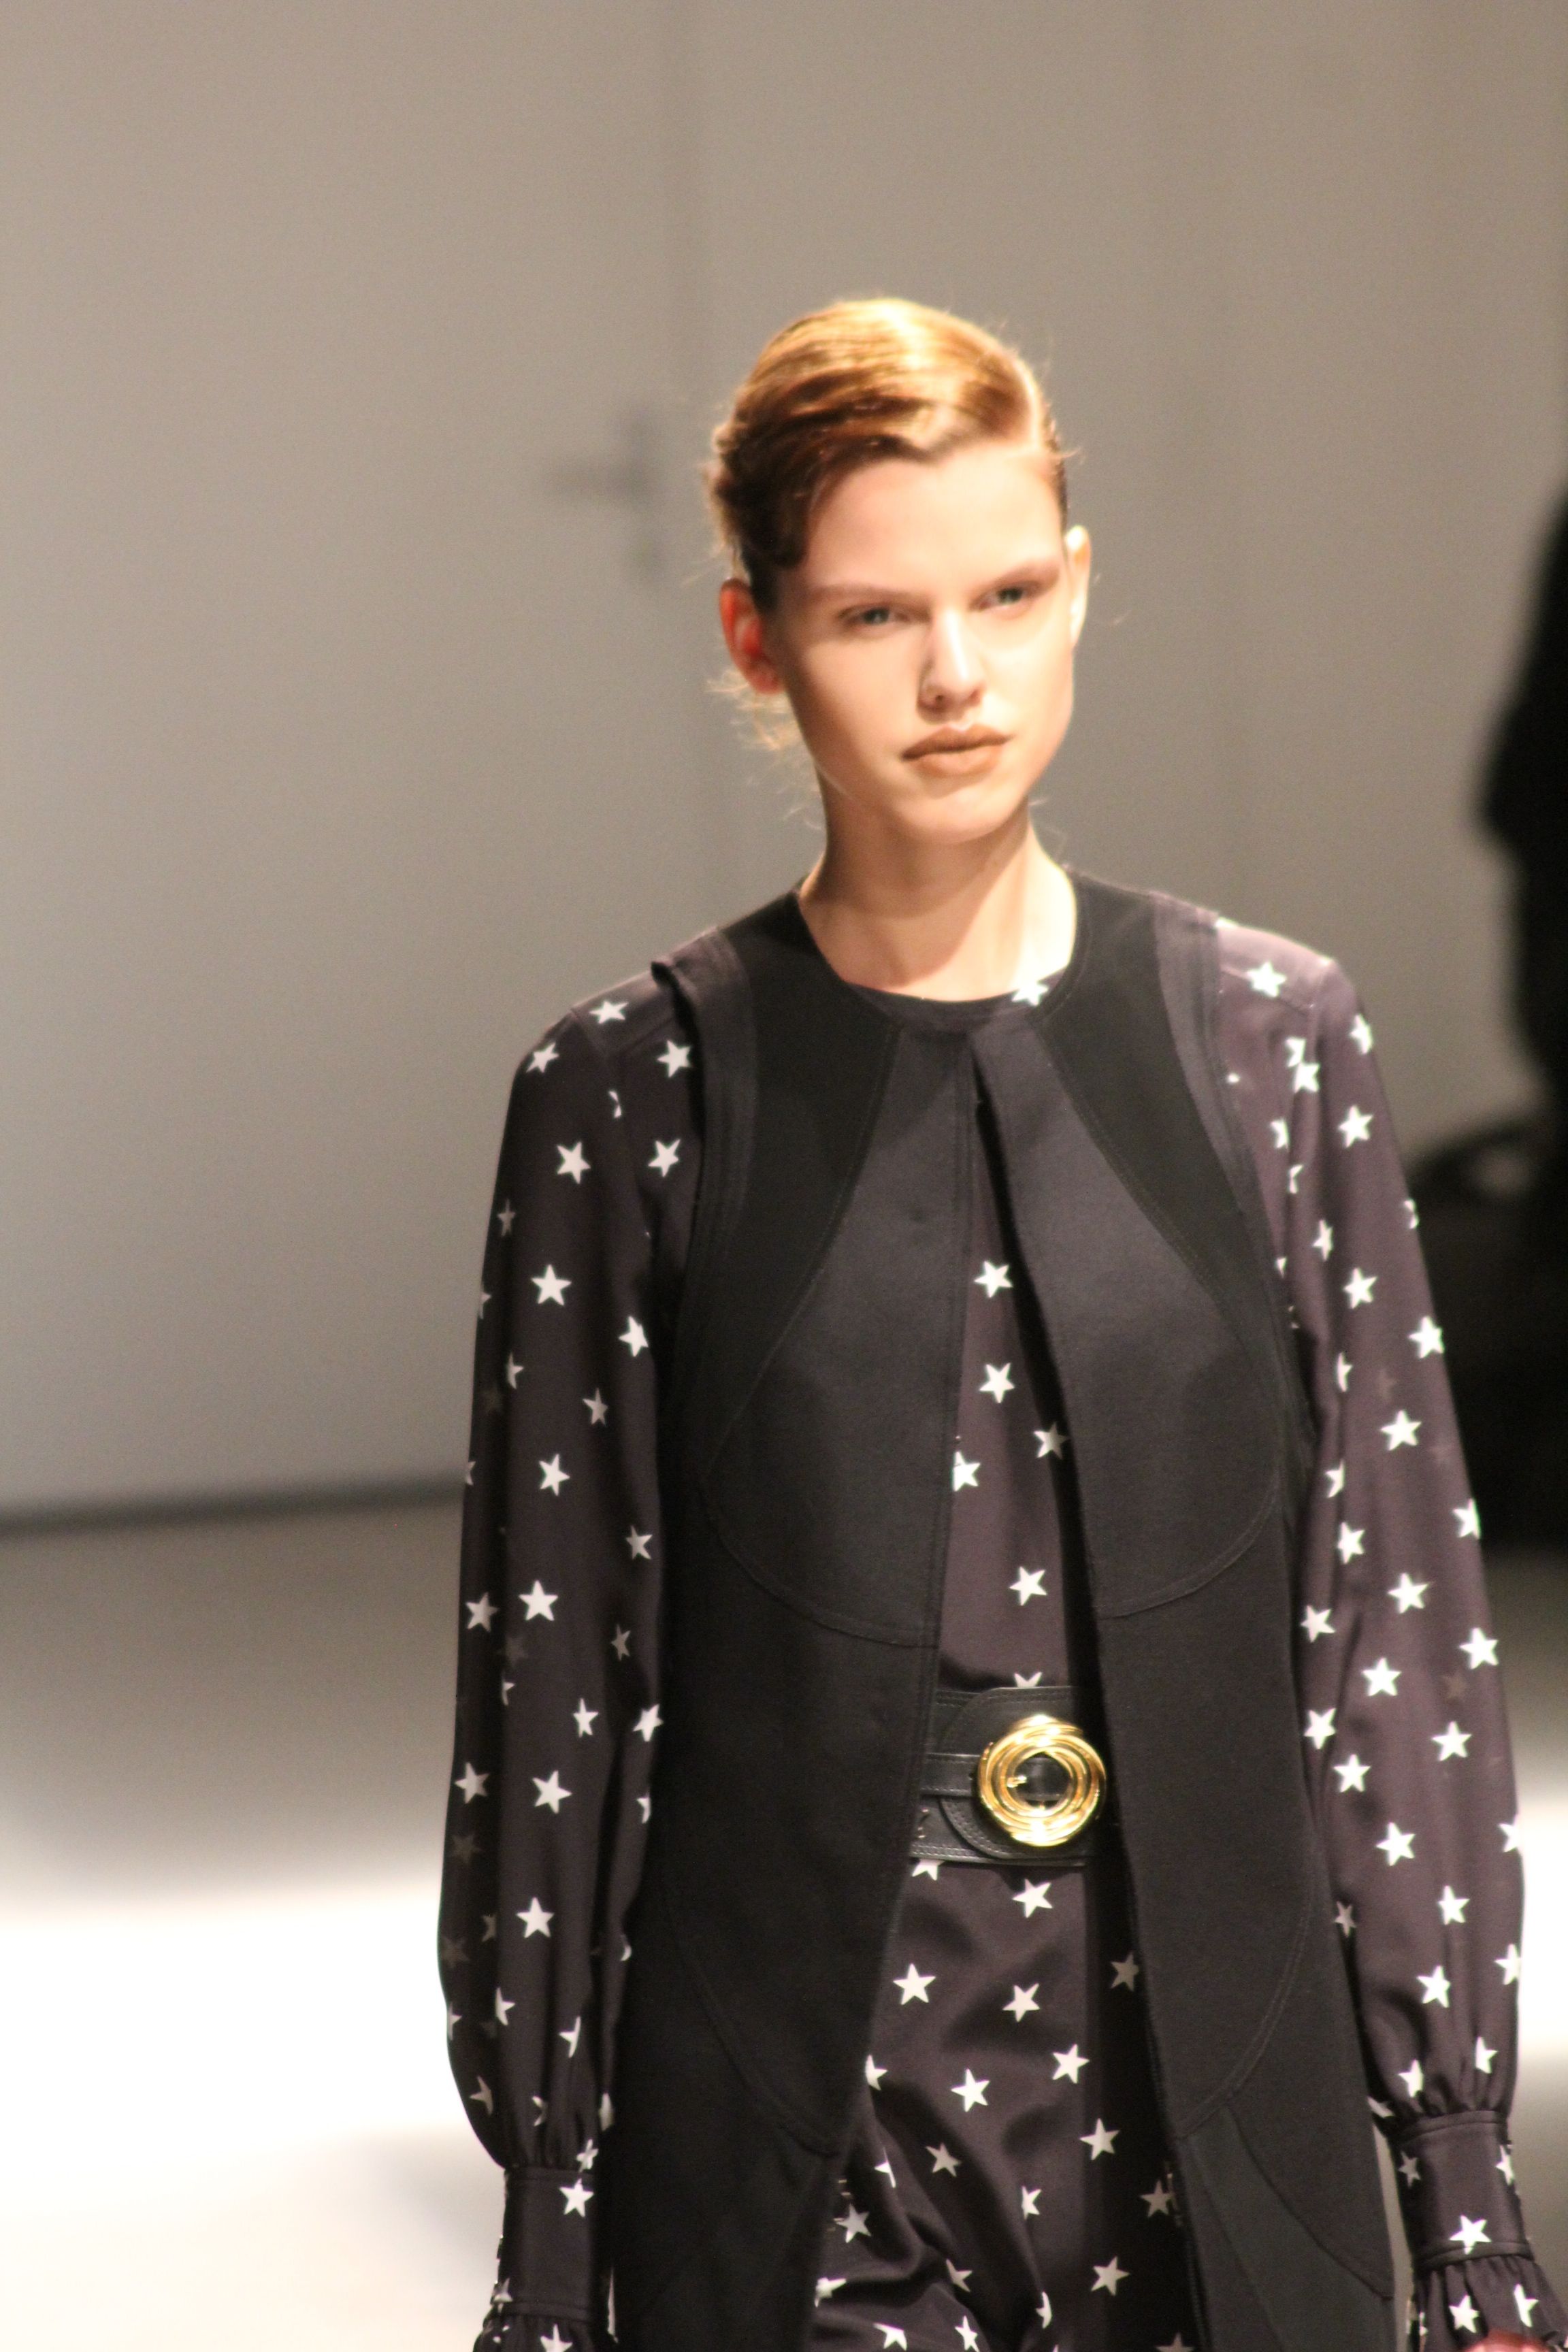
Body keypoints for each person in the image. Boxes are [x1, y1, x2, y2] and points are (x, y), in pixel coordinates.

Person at [438, 299, 1561, 2352]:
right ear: (756, 637)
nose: (958, 675)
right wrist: (558, 2222)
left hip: (1223, 2110)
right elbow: (561, 1674)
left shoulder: (1269, 1046)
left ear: (1078, 588)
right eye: (877, 616)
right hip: (798, 2129)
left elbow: (1388, 1623)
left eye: (1011, 595)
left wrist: (1460, 2182)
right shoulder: (636, 1094)